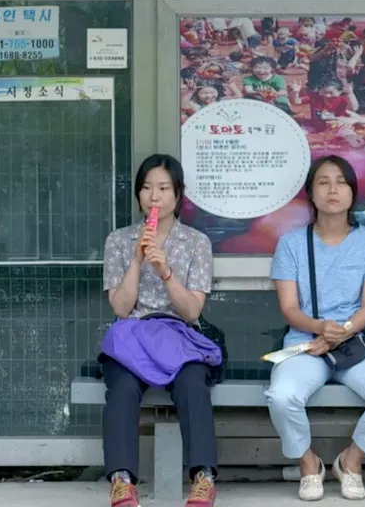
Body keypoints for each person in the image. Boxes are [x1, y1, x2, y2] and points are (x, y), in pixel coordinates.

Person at [264, 155, 365, 502]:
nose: (333, 189)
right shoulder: (292, 243)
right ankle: (309, 465)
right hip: (306, 342)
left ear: (353, 193)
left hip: (354, 343)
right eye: (323, 182)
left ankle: (351, 462)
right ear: (310, 194)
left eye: (341, 182)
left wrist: (342, 331)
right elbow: (289, 308)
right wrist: (320, 329)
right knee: (281, 397)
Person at [99, 154, 222, 507]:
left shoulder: (196, 242)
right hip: (132, 336)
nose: (155, 197)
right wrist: (137, 260)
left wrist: (166, 270)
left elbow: (192, 311)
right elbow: (121, 308)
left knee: (192, 384)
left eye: (164, 188)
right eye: (147, 188)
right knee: (121, 388)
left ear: (178, 194)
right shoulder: (118, 241)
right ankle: (122, 480)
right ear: (138, 194)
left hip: (179, 337)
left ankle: (204, 477)